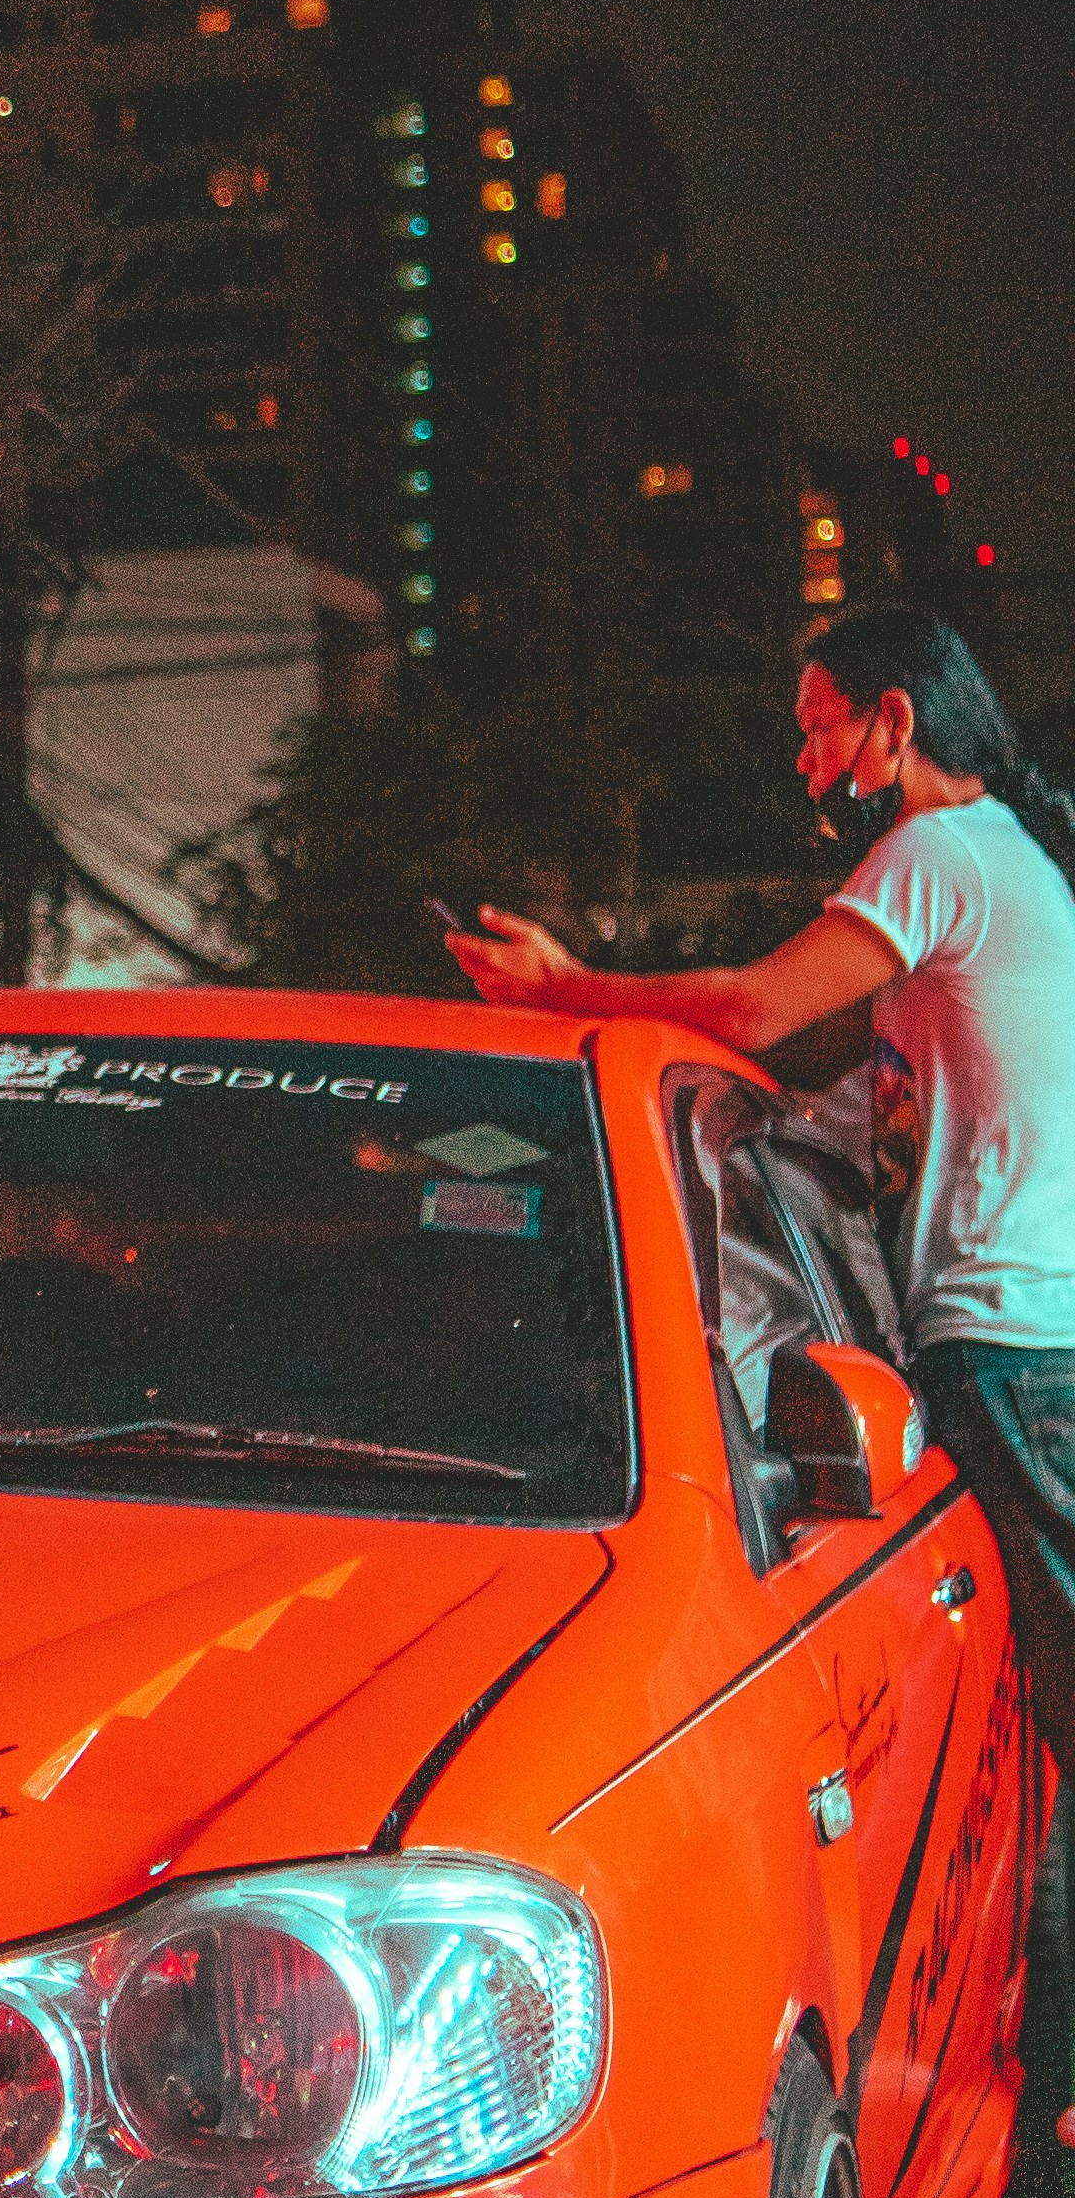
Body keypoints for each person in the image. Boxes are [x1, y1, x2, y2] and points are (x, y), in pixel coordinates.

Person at [456, 603, 1075, 1839]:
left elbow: (750, 1007)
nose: (804, 763)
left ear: (891, 722)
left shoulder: (936, 851)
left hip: (1008, 1336)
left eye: (818, 730)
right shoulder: (999, 860)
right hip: (1026, 1334)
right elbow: (816, 1103)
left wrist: (559, 988)